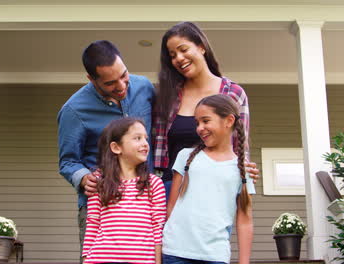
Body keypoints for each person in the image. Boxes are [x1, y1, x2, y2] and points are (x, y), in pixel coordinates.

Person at [57, 40, 155, 255]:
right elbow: (68, 161)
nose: (121, 86)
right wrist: (83, 177)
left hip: (145, 201)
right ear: (91, 79)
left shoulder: (144, 87)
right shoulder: (74, 110)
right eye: (111, 83)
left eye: (124, 75)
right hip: (102, 206)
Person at [153, 21, 258, 198]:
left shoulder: (233, 94)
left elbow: (240, 147)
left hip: (215, 191)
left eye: (183, 49)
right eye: (173, 55)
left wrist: (245, 172)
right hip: (171, 190)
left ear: (201, 47)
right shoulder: (167, 97)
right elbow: (158, 151)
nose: (178, 58)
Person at [162, 94, 254, 264]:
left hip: (215, 255)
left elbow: (245, 220)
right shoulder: (185, 156)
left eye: (205, 121)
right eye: (197, 123)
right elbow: (172, 207)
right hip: (175, 252)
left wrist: (243, 262)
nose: (199, 128)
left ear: (229, 121)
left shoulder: (242, 169)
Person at [82, 118, 166, 264]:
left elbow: (158, 228)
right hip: (102, 259)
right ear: (116, 147)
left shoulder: (154, 184)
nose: (145, 144)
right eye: (137, 138)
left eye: (145, 139)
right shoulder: (100, 181)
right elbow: (93, 224)